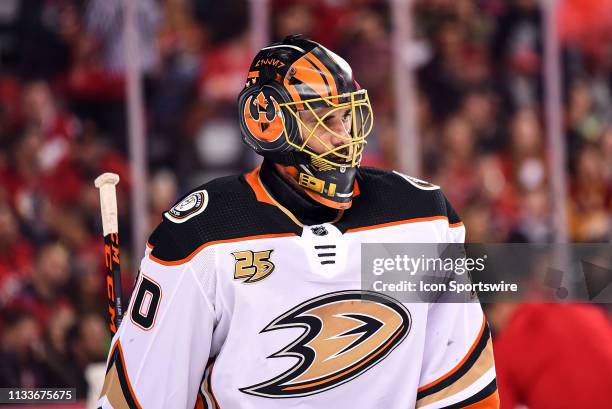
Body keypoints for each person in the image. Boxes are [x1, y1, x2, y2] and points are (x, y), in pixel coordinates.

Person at [97, 35, 499, 409]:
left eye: (346, 116)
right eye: (325, 118)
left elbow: (459, 390)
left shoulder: (422, 216)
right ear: (268, 124)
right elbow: (145, 394)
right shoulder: (201, 237)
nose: (344, 135)